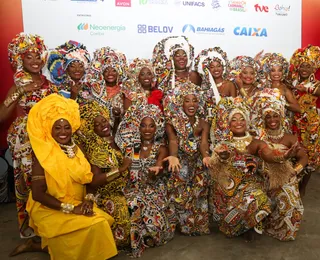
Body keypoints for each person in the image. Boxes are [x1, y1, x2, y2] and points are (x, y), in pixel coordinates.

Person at [26, 94, 117, 259]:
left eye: (67, 127)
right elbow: (38, 194)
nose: (63, 132)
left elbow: (88, 180)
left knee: (100, 223)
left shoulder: (77, 149)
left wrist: (88, 200)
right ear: (49, 129)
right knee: (91, 226)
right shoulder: (42, 155)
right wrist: (71, 209)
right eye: (57, 128)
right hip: (52, 209)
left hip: (78, 203)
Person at [0, 33, 59, 255]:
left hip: (49, 141)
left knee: (49, 187)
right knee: (27, 188)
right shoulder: (18, 85)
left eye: (37, 56)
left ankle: (49, 235)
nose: (35, 61)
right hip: (26, 144)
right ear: (20, 60)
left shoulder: (50, 85)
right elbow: (1, 115)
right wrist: (18, 94)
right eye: (28, 57)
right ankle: (30, 237)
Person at [209, 97, 299, 241]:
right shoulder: (224, 144)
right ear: (229, 125)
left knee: (257, 197)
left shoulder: (256, 142)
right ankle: (238, 225)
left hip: (251, 186)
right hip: (228, 192)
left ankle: (251, 224)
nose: (238, 122)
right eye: (234, 120)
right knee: (229, 216)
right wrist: (222, 157)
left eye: (242, 119)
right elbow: (217, 166)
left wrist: (284, 156)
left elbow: (269, 155)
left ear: (247, 123)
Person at [115, 104, 176, 257]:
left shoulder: (161, 147)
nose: (147, 129)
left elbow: (159, 165)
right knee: (132, 203)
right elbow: (125, 171)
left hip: (154, 189)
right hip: (133, 188)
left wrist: (157, 169)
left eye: (151, 126)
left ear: (157, 128)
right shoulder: (131, 148)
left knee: (156, 229)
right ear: (138, 128)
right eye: (143, 126)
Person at [251, 93, 308, 240]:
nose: (272, 120)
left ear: (281, 117)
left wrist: (295, 171)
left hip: (285, 175)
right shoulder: (258, 137)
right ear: (263, 119)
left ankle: (284, 229)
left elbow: (303, 157)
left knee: (291, 199)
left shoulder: (290, 138)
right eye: (268, 117)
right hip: (263, 177)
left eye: (275, 116)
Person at [76, 101, 131, 248]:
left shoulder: (115, 137)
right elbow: (93, 181)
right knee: (124, 232)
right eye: (97, 124)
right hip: (109, 193)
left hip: (127, 188)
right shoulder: (96, 149)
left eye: (104, 121)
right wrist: (120, 170)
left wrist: (117, 118)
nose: (103, 125)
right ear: (91, 129)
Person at [164, 82, 210, 236]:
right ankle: (184, 224)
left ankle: (200, 224)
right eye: (187, 100)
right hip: (181, 159)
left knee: (200, 190)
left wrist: (206, 156)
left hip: (197, 160)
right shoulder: (172, 122)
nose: (191, 104)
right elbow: (172, 140)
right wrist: (174, 156)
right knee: (181, 190)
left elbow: (204, 143)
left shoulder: (203, 123)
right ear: (180, 102)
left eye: (195, 100)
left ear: (199, 103)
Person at [290, 45, 320, 195]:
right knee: (294, 153)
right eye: (302, 66)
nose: (304, 69)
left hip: (310, 126)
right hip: (293, 123)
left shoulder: (315, 84)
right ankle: (293, 185)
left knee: (310, 156)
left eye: (308, 66)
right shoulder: (292, 82)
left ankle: (303, 188)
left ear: (313, 68)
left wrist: (306, 89)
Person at [87, 46, 127, 125]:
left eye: (113, 70)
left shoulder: (124, 91)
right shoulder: (95, 89)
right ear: (102, 73)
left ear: (119, 72)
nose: (110, 74)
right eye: (106, 70)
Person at [46, 40, 92, 104]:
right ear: (66, 68)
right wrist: (73, 95)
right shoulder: (58, 88)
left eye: (81, 66)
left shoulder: (89, 87)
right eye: (72, 66)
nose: (77, 69)